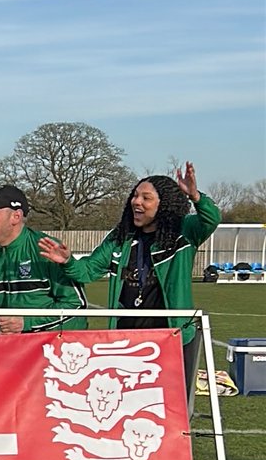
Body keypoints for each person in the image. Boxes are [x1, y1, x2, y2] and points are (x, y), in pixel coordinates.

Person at [39, 162, 220, 397]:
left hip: (172, 338)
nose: (137, 202)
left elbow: (211, 219)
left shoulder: (183, 232)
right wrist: (67, 262)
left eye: (146, 198)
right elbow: (87, 271)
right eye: (135, 196)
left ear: (163, 204)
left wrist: (195, 196)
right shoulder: (120, 238)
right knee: (127, 402)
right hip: (125, 339)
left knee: (172, 407)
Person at [0, 185, 86, 333]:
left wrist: (26, 322)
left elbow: (75, 304)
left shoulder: (47, 249)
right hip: (13, 348)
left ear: (15, 217)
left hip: (57, 349)